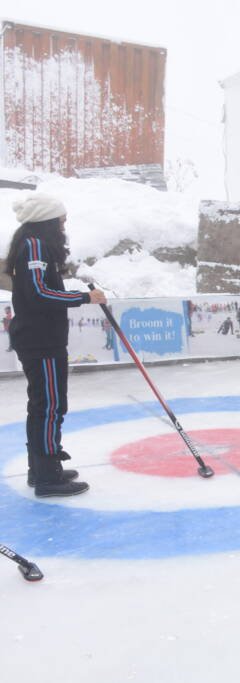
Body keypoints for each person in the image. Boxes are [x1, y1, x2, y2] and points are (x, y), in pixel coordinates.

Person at [5, 193, 106, 497]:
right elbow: (39, 293)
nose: (64, 226)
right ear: (46, 221)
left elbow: (38, 289)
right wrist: (84, 297)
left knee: (42, 405)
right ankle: (48, 476)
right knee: (50, 406)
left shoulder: (32, 244)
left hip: (40, 338)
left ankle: (41, 469)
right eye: (60, 220)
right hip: (41, 341)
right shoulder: (35, 245)